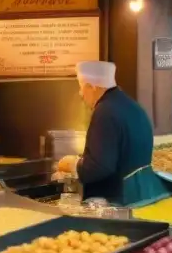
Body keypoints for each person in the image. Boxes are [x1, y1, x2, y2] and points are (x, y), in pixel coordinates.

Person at [56, 61, 166, 205]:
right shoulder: (131, 106)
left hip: (114, 202)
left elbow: (99, 167)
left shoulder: (105, 111)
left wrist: (72, 164)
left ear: (92, 87)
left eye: (81, 87)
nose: (81, 94)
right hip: (138, 196)